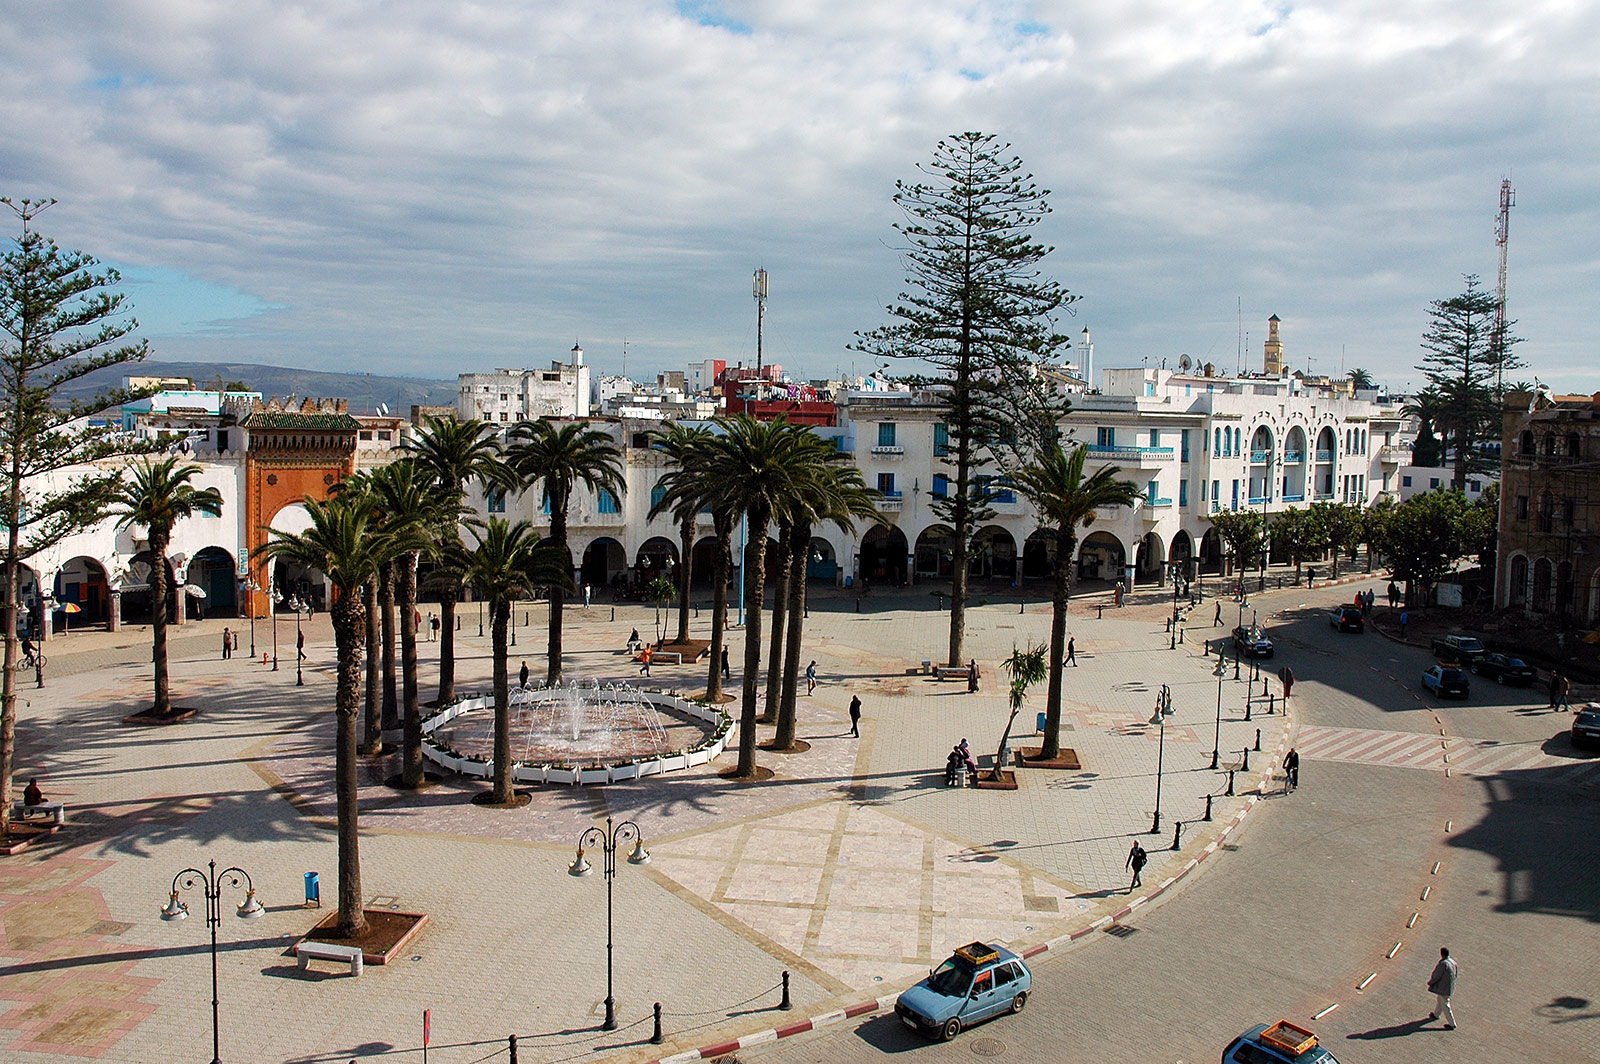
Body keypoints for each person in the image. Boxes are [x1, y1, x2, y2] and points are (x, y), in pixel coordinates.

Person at [1427, 947, 1459, 1029]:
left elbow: (1437, 975)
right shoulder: (1452, 962)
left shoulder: (1443, 964)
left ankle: (1452, 1024)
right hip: (1449, 987)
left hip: (1443, 988)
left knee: (1445, 1004)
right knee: (1440, 1000)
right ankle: (1436, 1014)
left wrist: (1431, 982)